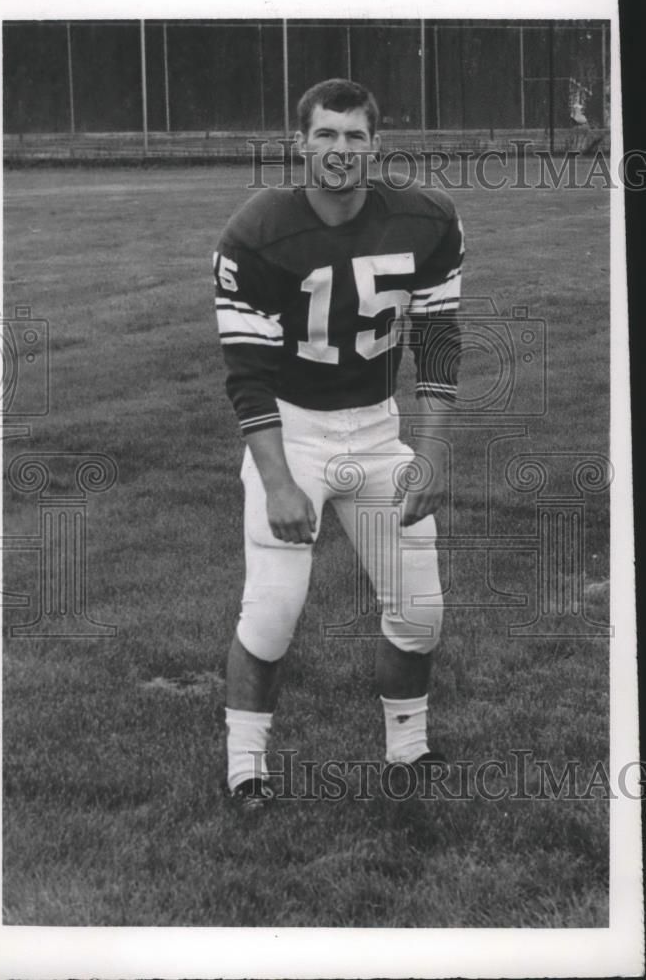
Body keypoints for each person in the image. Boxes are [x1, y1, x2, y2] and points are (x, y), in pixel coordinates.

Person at [213, 79, 464, 808]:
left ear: (374, 146)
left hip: (377, 426)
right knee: (272, 610)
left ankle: (407, 753)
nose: (340, 151)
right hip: (291, 432)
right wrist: (279, 481)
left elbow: (440, 340)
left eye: (354, 137)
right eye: (325, 135)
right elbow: (247, 376)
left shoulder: (425, 220)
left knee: (419, 612)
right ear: (301, 144)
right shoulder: (258, 231)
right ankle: (246, 765)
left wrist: (433, 449)